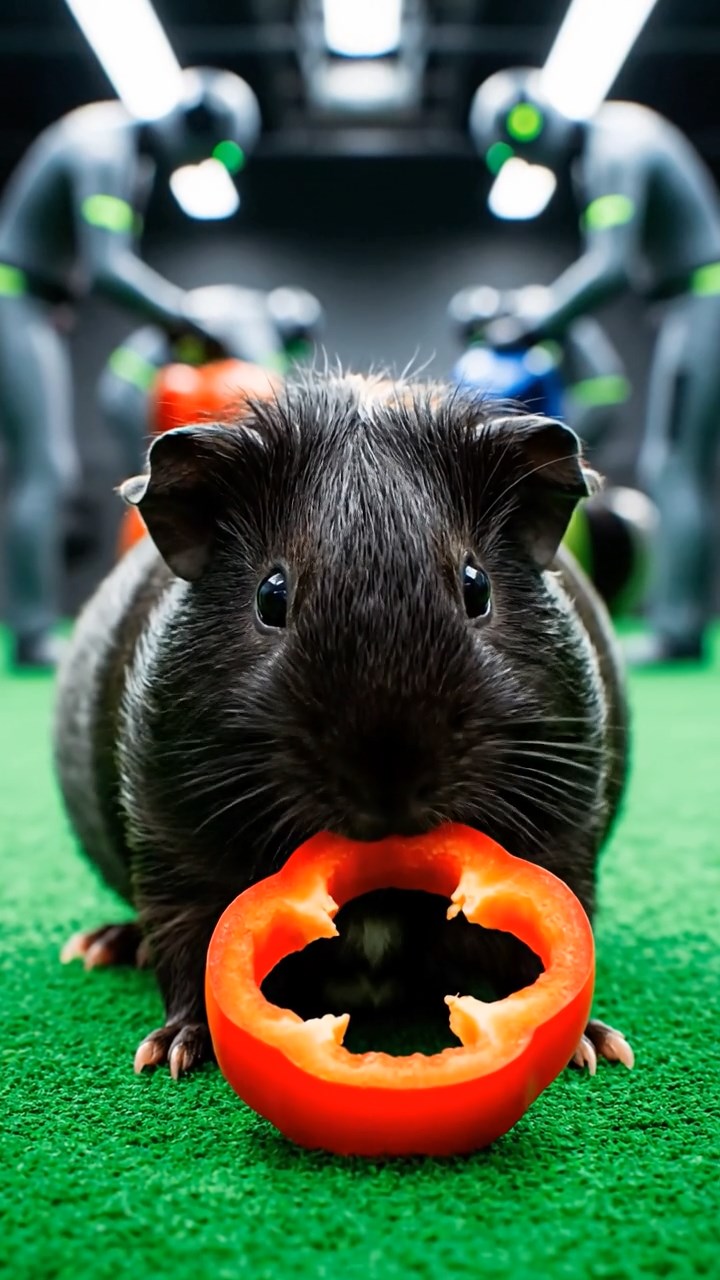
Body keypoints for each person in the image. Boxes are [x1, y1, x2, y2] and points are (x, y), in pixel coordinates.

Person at [0, 67, 261, 667]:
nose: (202, 162)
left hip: (37, 306)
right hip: (17, 298)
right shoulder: (104, 144)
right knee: (46, 467)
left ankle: (32, 625)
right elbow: (107, 266)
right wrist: (185, 315)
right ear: (196, 122)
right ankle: (34, 632)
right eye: (211, 149)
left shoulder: (126, 152)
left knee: (42, 465)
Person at [467, 67, 720, 664]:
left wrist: (536, 321)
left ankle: (677, 629)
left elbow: (612, 264)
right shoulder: (612, 138)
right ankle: (676, 621)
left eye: (518, 147)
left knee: (673, 465)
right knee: (675, 463)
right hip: (690, 303)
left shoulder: (615, 143)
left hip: (703, 299)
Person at [98, 283, 323, 480]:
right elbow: (269, 383)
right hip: (135, 385)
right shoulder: (252, 321)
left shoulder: (239, 305)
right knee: (150, 480)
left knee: (151, 476)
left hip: (129, 380)